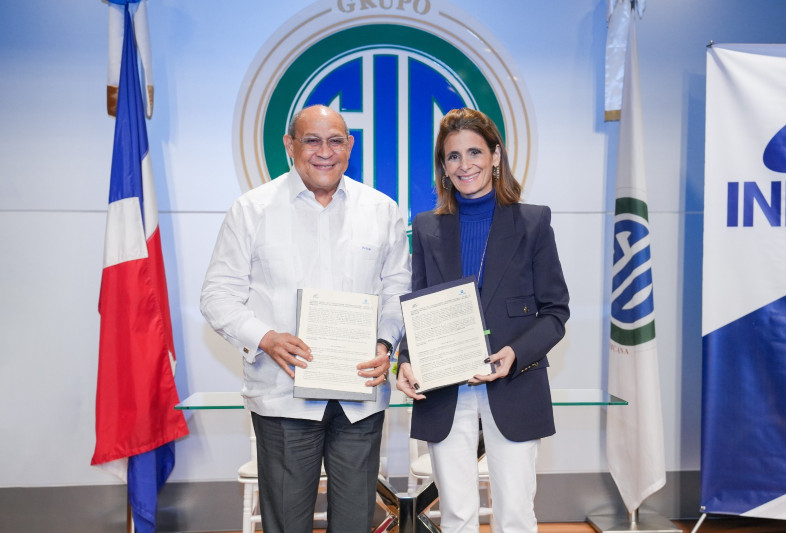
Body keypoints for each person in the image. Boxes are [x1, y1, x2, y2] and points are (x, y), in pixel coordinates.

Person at [200, 104, 411, 533]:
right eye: (312, 140)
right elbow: (217, 296)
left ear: (350, 146)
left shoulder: (382, 210)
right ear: (290, 145)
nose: (324, 151)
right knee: (286, 526)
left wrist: (385, 345)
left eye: (335, 140)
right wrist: (265, 337)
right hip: (283, 396)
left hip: (360, 397)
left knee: (354, 524)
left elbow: (397, 292)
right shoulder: (251, 210)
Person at [395, 108, 570, 533]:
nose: (464, 164)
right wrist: (403, 359)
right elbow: (414, 311)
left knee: (514, 515)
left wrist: (515, 353)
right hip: (443, 388)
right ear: (443, 167)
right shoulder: (426, 227)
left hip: (514, 383)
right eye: (453, 156)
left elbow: (556, 313)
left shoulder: (533, 222)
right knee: (455, 515)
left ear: (495, 155)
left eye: (474, 151)